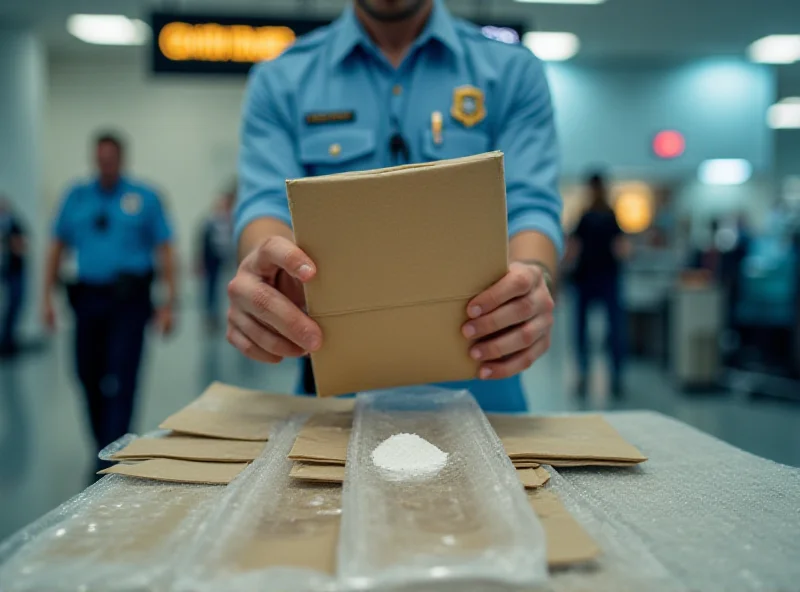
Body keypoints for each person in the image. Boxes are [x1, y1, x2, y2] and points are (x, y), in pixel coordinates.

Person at [228, 0, 562, 413]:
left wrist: (536, 278)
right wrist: (265, 277)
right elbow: (266, 204)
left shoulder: (511, 71)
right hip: (334, 404)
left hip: (485, 388)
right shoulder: (280, 79)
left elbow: (531, 206)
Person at [42, 132, 177, 470]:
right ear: (94, 159)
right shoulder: (76, 197)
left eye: (111, 158)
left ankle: (116, 448)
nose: (105, 164)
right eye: (100, 158)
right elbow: (57, 246)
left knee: (123, 373)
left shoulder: (144, 197)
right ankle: (101, 442)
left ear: (121, 159)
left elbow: (165, 249)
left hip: (129, 301)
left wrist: (168, 303)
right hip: (88, 299)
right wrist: (45, 299)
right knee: (85, 372)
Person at [568, 172, 629, 397]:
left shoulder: (592, 216)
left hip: (594, 277)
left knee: (589, 331)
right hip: (599, 277)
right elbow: (620, 247)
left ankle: (593, 377)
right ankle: (612, 378)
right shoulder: (605, 216)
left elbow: (573, 248)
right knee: (610, 329)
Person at [198, 190, 236, 332]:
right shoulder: (211, 220)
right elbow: (203, 242)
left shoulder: (233, 218)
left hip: (229, 257)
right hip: (213, 258)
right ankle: (211, 316)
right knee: (211, 288)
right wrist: (201, 262)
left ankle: (233, 314)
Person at [0, 196, 27, 357]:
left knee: (14, 306)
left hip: (14, 271)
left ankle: (8, 342)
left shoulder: (15, 224)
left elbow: (22, 245)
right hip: (5, 271)